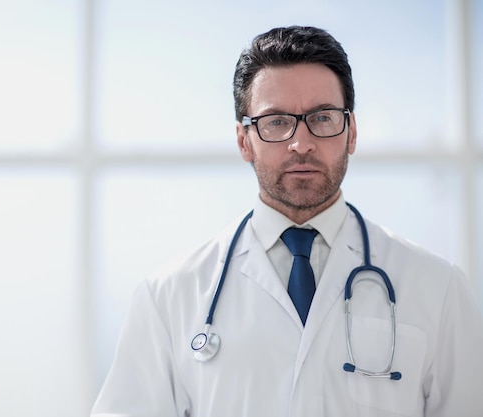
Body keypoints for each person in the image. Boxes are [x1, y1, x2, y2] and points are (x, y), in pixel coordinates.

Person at [90, 25, 483, 417]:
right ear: (244, 141)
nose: (301, 142)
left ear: (351, 133)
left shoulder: (437, 286)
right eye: (276, 121)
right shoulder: (168, 296)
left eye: (323, 117)